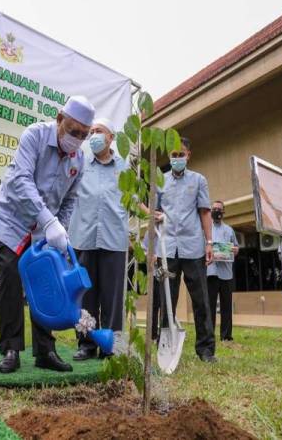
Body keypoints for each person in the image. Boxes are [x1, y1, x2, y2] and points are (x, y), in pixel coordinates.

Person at [0, 95, 94, 374]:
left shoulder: (79, 159)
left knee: (47, 283)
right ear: (59, 119)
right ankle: (11, 349)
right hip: (10, 221)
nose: (77, 139)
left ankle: (45, 351)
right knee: (11, 277)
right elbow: (21, 180)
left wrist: (60, 229)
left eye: (83, 135)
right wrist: (48, 221)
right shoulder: (34, 136)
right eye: (73, 131)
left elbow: (70, 199)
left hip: (46, 232)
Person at [146, 137, 217, 362]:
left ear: (189, 155)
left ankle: (205, 349)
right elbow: (152, 212)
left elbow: (205, 212)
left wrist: (209, 243)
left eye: (181, 154)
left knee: (201, 300)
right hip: (166, 248)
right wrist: (151, 246)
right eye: (174, 154)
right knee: (167, 299)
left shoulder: (198, 180)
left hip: (193, 246)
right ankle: (166, 346)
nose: (177, 158)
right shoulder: (160, 180)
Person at [69, 118, 129, 360]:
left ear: (111, 137)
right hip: (84, 237)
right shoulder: (82, 164)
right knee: (87, 294)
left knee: (113, 296)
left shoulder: (124, 168)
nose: (93, 135)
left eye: (99, 131)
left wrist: (152, 212)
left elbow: (133, 200)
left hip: (114, 238)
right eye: (91, 131)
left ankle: (112, 344)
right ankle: (87, 343)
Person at [206, 201, 239, 342]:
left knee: (226, 306)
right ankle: (209, 335)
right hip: (211, 272)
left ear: (223, 212)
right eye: (214, 209)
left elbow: (236, 248)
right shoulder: (206, 229)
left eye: (219, 209)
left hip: (226, 274)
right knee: (210, 306)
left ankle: (226, 336)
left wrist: (235, 250)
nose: (216, 211)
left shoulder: (229, 230)